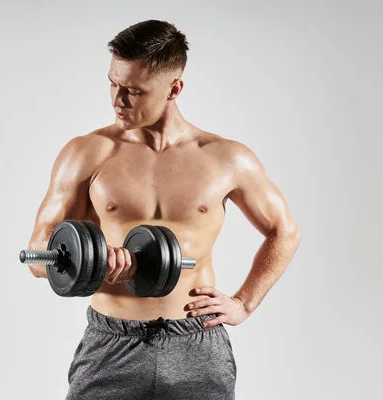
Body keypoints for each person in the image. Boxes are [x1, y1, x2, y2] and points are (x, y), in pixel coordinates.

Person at [25, 19, 301, 400]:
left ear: (175, 88)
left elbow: (284, 230)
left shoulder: (227, 159)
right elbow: (38, 252)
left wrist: (243, 302)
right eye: (113, 83)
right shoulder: (87, 153)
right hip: (112, 342)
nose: (117, 100)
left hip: (197, 341)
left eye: (134, 91)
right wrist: (87, 264)